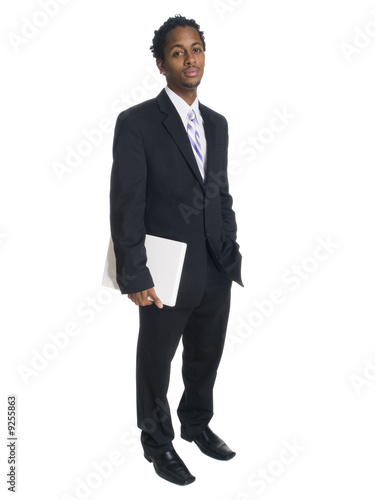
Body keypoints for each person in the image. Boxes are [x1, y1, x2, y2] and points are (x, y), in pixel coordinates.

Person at [109, 15, 243, 486]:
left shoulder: (217, 124)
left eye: (196, 49)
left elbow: (220, 193)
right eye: (178, 52)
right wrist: (135, 275)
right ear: (161, 63)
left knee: (206, 354)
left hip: (215, 264)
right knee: (156, 361)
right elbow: (127, 203)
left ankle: (195, 424)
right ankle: (157, 442)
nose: (190, 60)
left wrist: (231, 246)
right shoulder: (138, 123)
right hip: (163, 269)